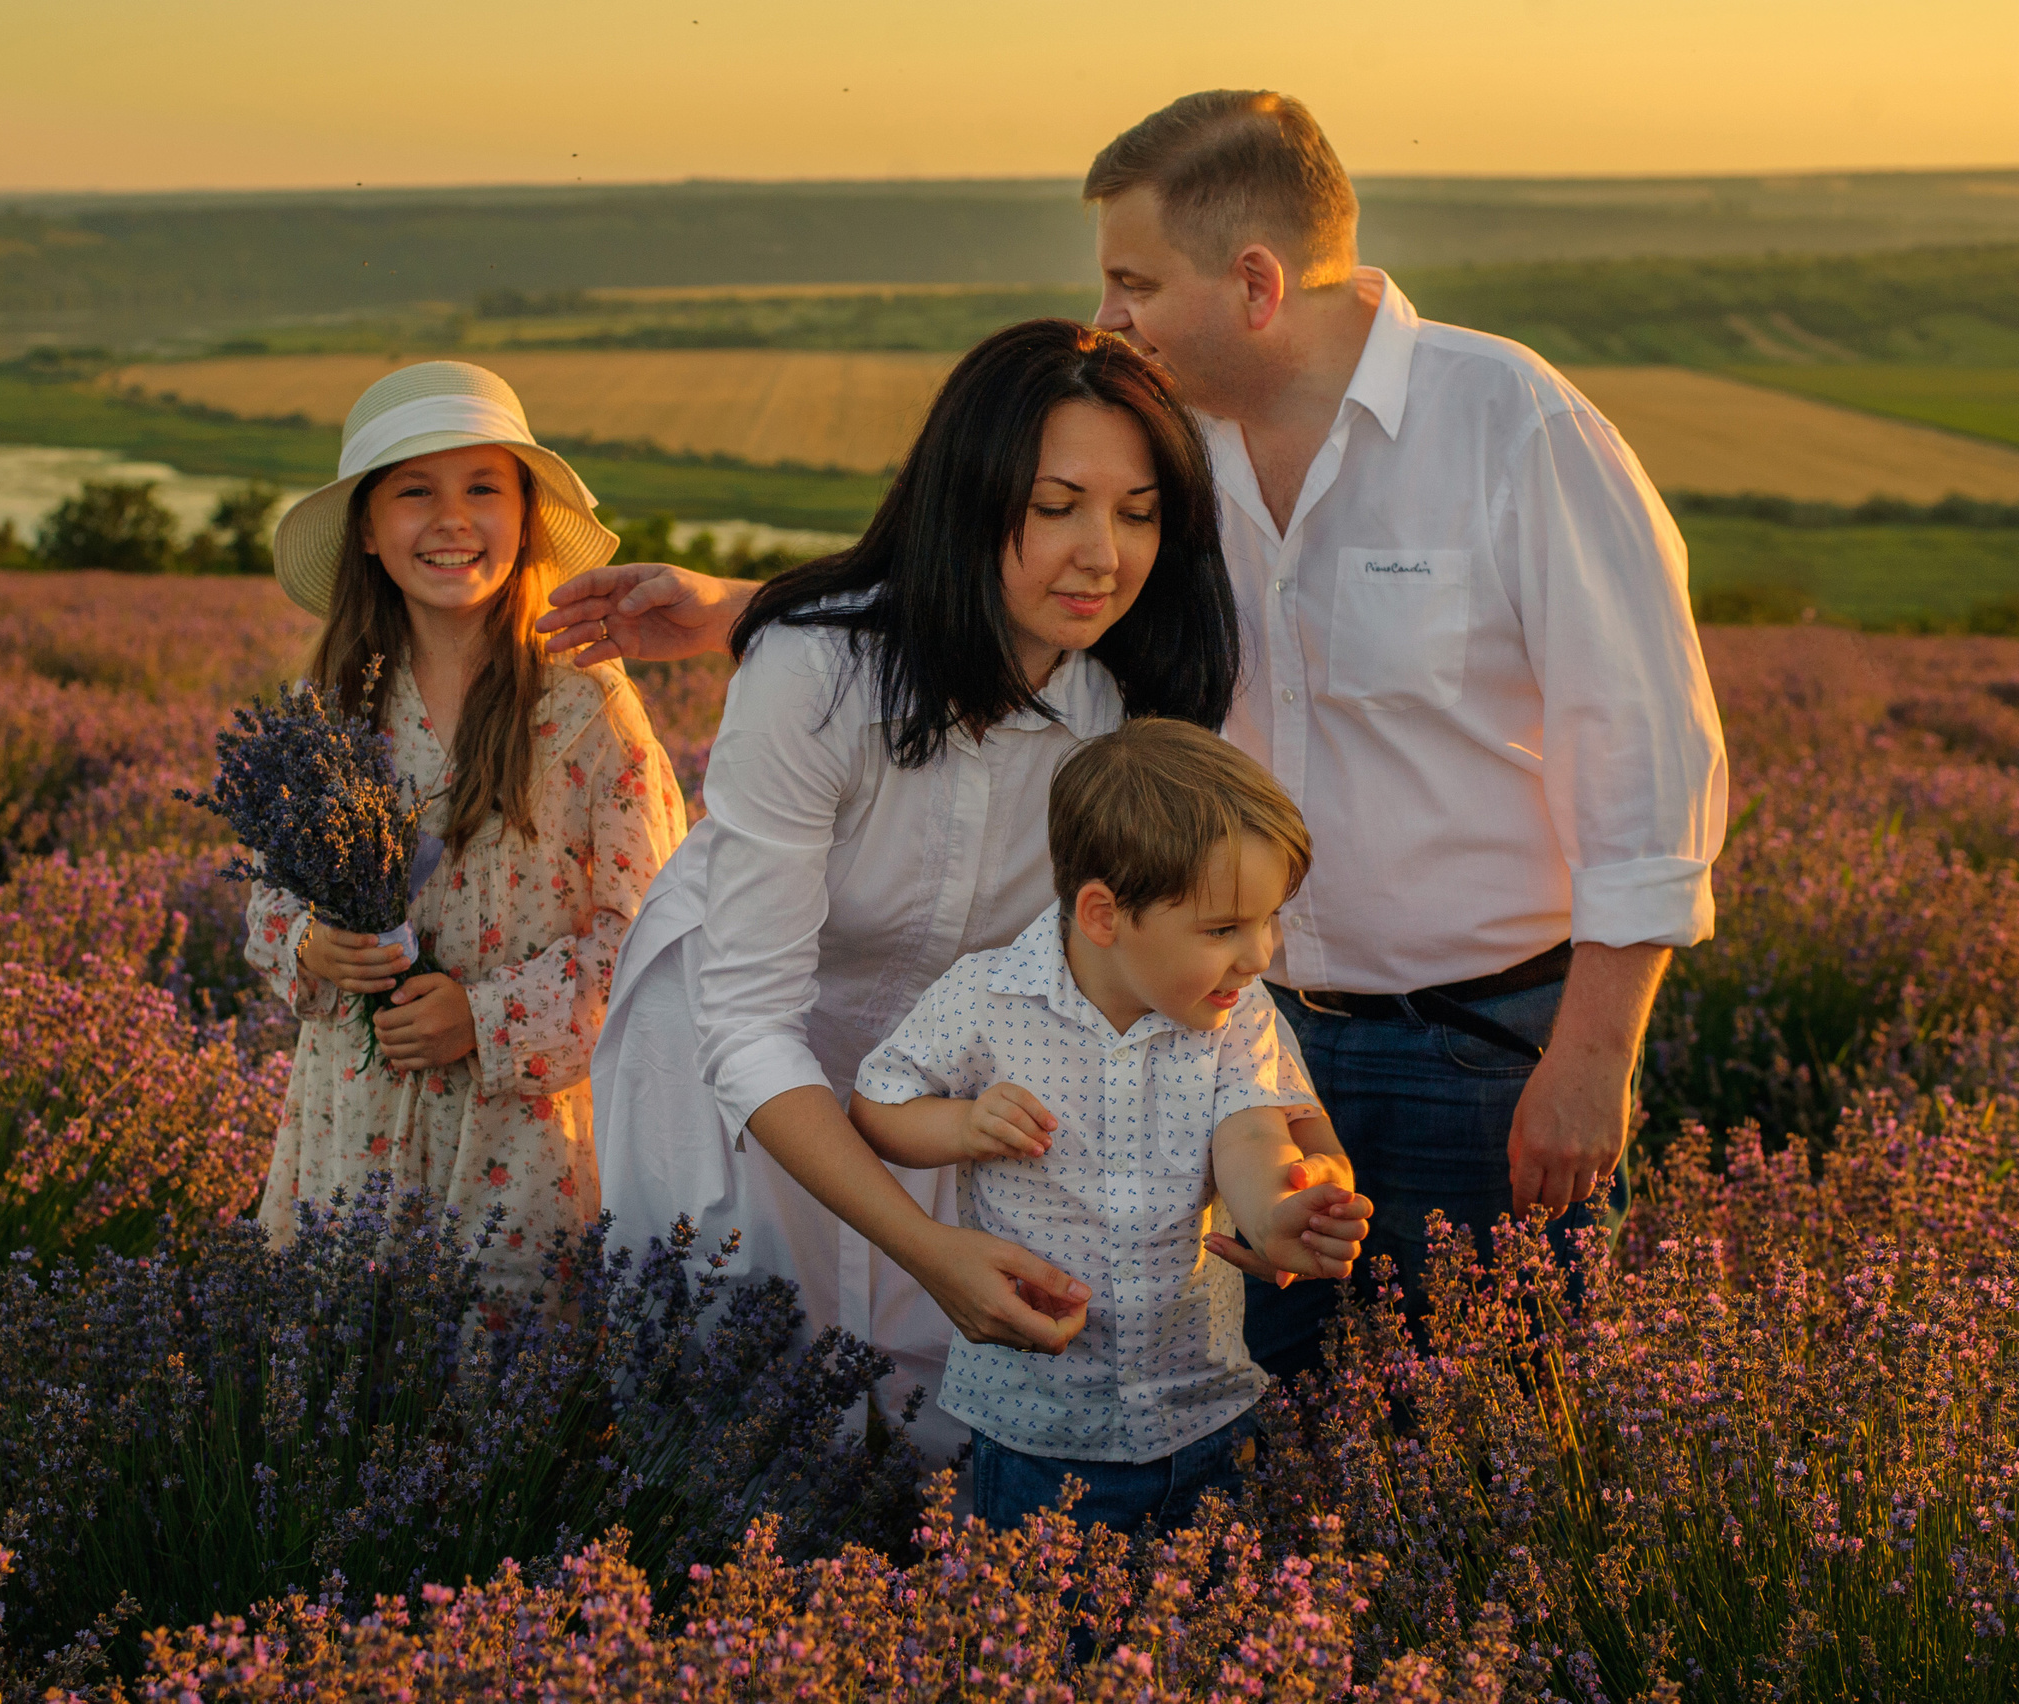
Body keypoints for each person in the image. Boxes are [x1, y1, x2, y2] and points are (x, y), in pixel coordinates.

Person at [539, 94, 1728, 1379]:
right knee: (1258, 1404)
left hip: (1477, 1042)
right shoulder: (1172, 437)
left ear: (1255, 284)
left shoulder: (1511, 425)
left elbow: (1645, 757)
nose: (1104, 315)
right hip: (1229, 1016)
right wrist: (752, 610)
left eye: (1134, 282)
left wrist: (1592, 1055)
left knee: (1501, 1402)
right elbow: (987, 563)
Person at [587, 318, 1276, 1455]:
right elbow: (749, 1026)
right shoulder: (816, 673)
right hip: (729, 1057)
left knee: (935, 1427)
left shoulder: (1122, 715)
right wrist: (925, 1247)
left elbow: (1162, 980)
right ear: (967, 497)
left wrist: (1266, 1164)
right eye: (1055, 507)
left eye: (1138, 513)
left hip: (941, 1086)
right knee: (733, 1405)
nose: (1102, 555)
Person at [850, 718, 1371, 1533]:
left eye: (1270, 920)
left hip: (1200, 1413)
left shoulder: (1238, 1016)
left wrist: (1281, 1214)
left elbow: (1252, 1134)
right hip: (1037, 1427)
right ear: (1103, 914)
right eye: (1224, 929)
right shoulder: (986, 999)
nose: (1259, 954)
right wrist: (963, 1124)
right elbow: (879, 1105)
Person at [246, 360, 685, 1302]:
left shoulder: (587, 710)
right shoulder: (329, 709)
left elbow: (653, 940)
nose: (452, 520)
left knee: (504, 1370)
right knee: (344, 1371)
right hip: (350, 1132)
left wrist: (482, 1019)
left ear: (524, 518)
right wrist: (310, 945)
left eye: (484, 489)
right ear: (369, 531)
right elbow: (268, 897)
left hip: (520, 1150)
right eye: (416, 492)